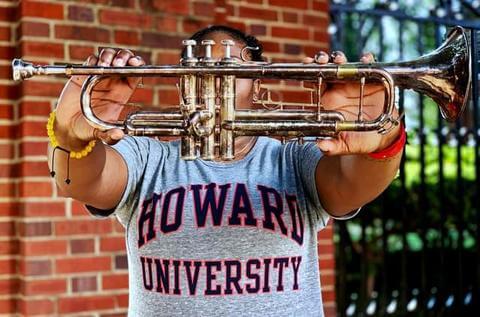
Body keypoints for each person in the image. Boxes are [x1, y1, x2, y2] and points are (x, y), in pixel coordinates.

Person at [48, 25, 403, 316]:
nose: (218, 79)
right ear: (184, 82)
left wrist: (382, 137)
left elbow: (352, 187)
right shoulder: (146, 157)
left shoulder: (293, 157)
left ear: (257, 83)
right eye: (203, 69)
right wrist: (69, 135)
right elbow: (83, 183)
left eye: (234, 69)